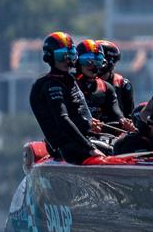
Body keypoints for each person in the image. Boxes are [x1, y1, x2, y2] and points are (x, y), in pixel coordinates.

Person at [29, 31, 104, 164]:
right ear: (49, 57)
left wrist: (89, 123)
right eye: (61, 56)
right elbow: (63, 120)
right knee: (109, 151)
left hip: (82, 139)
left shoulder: (69, 79)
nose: (67, 60)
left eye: (70, 55)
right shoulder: (51, 85)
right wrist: (89, 148)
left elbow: (79, 111)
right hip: (65, 148)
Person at [74, 39, 135, 134]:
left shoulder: (107, 87)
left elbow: (117, 113)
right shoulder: (68, 83)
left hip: (104, 136)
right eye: (87, 60)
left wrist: (124, 122)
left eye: (97, 60)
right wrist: (85, 122)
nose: (92, 65)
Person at [96, 39, 134, 118]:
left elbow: (129, 115)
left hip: (117, 127)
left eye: (98, 59)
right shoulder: (84, 81)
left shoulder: (123, 84)